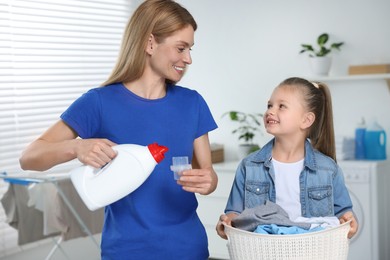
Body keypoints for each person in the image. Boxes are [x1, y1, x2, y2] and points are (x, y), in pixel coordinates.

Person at [19, 0, 218, 259]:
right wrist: (77, 147)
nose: (188, 59)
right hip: (127, 251)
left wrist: (209, 181)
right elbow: (29, 157)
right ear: (149, 43)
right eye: (181, 48)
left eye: (190, 49)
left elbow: (208, 175)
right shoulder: (99, 103)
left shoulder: (192, 103)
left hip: (188, 249)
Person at [216, 77, 358, 240]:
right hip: (263, 252)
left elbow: (344, 215)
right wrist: (227, 222)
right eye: (270, 105)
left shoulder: (328, 169)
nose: (270, 111)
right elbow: (234, 213)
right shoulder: (249, 166)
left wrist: (350, 222)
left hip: (312, 252)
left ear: (306, 120)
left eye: (281, 106)